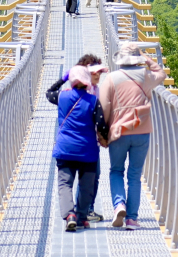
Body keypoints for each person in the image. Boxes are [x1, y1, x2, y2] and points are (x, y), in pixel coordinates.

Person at [99, 42, 167, 230]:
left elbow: (104, 107)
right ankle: (132, 219)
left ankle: (119, 204)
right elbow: (162, 74)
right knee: (135, 175)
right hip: (142, 131)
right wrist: (146, 57)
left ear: (120, 60)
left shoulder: (111, 78)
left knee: (116, 171)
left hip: (119, 132)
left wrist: (103, 132)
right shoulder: (146, 76)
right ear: (137, 60)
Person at [47, 54, 109, 223]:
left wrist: (62, 79)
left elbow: (48, 93)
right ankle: (82, 216)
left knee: (65, 184)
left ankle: (70, 215)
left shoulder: (62, 97)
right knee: (86, 185)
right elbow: (101, 124)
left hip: (65, 149)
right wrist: (105, 139)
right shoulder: (93, 100)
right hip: (87, 151)